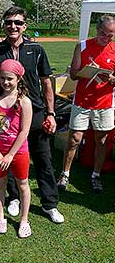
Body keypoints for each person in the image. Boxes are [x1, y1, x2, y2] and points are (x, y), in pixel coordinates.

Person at [0, 6, 64, 223]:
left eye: (17, 23)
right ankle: (14, 197)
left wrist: (50, 113)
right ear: (3, 25)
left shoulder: (37, 49)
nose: (12, 26)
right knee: (11, 158)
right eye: (8, 22)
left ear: (25, 26)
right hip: (8, 116)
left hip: (35, 113)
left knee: (43, 159)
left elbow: (46, 83)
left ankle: (49, 204)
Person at [57, 15, 115, 193]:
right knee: (74, 139)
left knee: (102, 140)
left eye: (111, 36)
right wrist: (86, 72)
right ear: (97, 30)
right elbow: (73, 74)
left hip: (105, 102)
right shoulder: (82, 46)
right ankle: (65, 174)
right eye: (104, 34)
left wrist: (112, 78)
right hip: (82, 101)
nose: (107, 39)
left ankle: (96, 175)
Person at [0, 59, 32, 238]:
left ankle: (24, 220)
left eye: (10, 79)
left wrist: (10, 155)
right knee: (0, 184)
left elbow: (24, 130)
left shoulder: (24, 102)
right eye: (2, 78)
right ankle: (0, 217)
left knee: (23, 185)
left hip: (19, 152)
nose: (6, 82)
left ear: (19, 79)